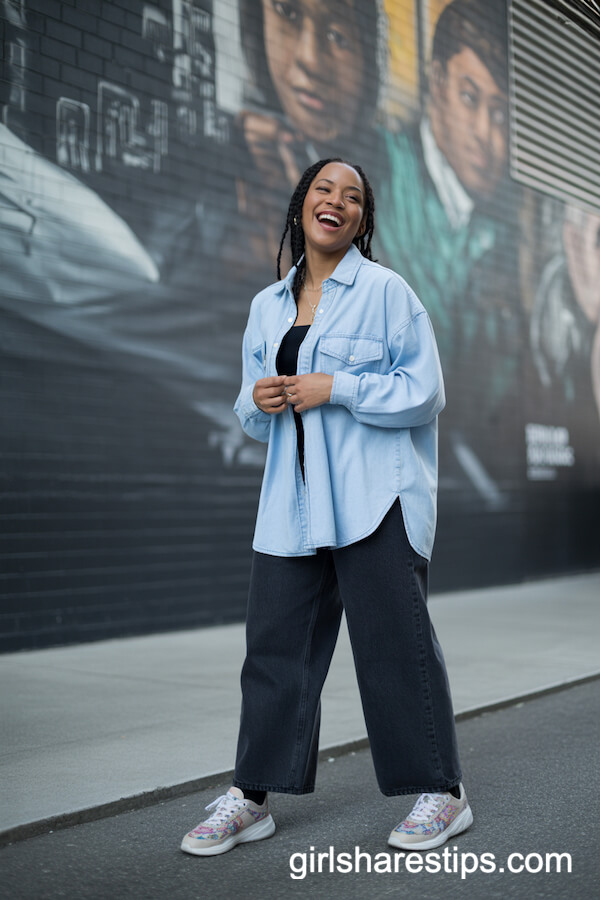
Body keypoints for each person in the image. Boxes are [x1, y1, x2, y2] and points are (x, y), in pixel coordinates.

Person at [180, 158, 473, 856]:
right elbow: (254, 416)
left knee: (394, 650)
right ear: (301, 205)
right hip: (293, 503)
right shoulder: (266, 307)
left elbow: (424, 393)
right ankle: (251, 797)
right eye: (323, 190)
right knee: (274, 654)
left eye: (352, 197)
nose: (335, 202)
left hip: (376, 498)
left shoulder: (386, 293)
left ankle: (443, 791)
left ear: (363, 221)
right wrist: (256, 400)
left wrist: (336, 387)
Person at [375, 0, 523, 512]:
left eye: (501, 112)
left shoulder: (502, 235)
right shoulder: (377, 173)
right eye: (469, 97)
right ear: (435, 83)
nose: (487, 133)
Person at [229, 0, 386, 273]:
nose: (310, 59)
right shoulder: (239, 151)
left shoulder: (392, 176)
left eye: (338, 36)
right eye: (287, 13)